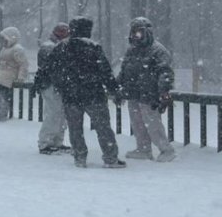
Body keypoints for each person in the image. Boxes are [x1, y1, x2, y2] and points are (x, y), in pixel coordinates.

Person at [35, 16, 125, 169]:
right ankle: (110, 157)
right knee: (103, 127)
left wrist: (56, 84)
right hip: (93, 94)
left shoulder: (61, 47)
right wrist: (114, 89)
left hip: (71, 95)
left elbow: (48, 68)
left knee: (75, 128)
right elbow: (105, 72)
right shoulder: (93, 47)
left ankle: (80, 156)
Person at [117, 17, 175, 162]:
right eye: (133, 31)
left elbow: (165, 72)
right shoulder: (132, 51)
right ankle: (143, 149)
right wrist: (118, 88)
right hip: (133, 93)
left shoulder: (158, 50)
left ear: (147, 32)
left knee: (153, 124)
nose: (135, 35)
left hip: (149, 94)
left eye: (139, 32)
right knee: (137, 124)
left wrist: (164, 91)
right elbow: (124, 71)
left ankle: (166, 150)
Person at [35, 23, 70, 154]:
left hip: (58, 85)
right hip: (51, 85)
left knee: (60, 113)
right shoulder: (49, 47)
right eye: (62, 31)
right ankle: (45, 142)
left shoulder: (59, 46)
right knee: (54, 113)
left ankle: (57, 141)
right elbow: (51, 68)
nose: (64, 34)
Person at [0, 27, 29, 121]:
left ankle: (0, 111)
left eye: (4, 38)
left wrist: (21, 77)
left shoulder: (17, 49)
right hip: (2, 73)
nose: (2, 40)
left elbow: (23, 64)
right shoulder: (4, 48)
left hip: (9, 74)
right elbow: (0, 63)